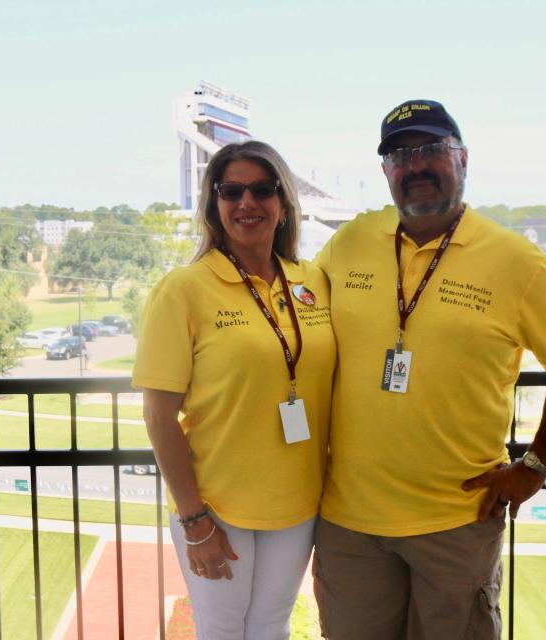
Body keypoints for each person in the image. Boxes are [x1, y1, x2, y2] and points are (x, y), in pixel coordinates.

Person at [312, 100, 546, 639]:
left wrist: (535, 465)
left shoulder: (516, 261)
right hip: (349, 522)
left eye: (431, 150)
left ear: (462, 158)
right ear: (385, 172)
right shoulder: (349, 242)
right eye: (399, 155)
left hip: (457, 521)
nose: (415, 165)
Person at [133, 140, 335, 639]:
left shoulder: (312, 282)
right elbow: (160, 416)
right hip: (217, 505)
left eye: (262, 190)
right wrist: (193, 518)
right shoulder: (184, 289)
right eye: (232, 191)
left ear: (283, 204)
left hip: (297, 501)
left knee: (272, 626)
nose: (247, 203)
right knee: (222, 630)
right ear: (214, 205)